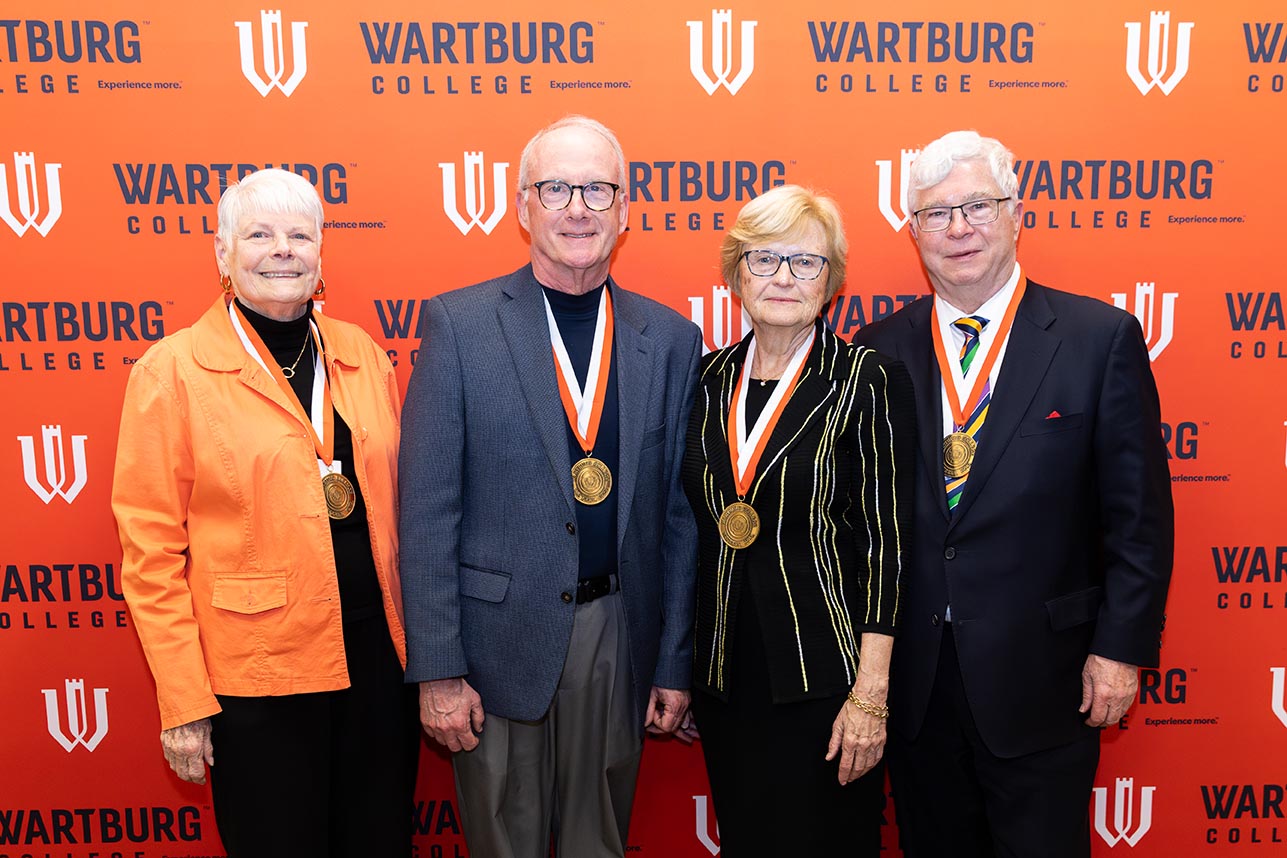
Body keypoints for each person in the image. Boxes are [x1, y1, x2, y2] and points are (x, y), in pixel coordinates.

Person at [853, 130, 1174, 857]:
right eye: (935, 214)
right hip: (917, 685)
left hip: (1046, 681)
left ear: (1016, 213)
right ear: (912, 232)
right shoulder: (875, 351)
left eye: (977, 206)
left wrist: (1120, 650)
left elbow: (1139, 519)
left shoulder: (1098, 338)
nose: (957, 228)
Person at [398, 115, 701, 858]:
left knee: (600, 841)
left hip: (618, 633)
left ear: (625, 210)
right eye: (556, 187)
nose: (577, 208)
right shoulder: (459, 324)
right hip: (495, 641)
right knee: (505, 840)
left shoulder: (669, 339)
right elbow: (426, 512)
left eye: (597, 190)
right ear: (521, 205)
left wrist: (672, 660)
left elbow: (679, 519)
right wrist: (437, 671)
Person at [111, 168, 419, 857]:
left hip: (375, 660)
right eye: (258, 234)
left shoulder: (362, 355)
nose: (282, 249)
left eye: (299, 235)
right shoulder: (172, 372)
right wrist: (185, 702)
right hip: (257, 677)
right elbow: (151, 555)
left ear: (319, 254)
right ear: (221, 254)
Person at [682, 184, 916, 856]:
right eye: (763, 259)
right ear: (735, 274)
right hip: (726, 677)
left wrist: (870, 695)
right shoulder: (705, 380)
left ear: (831, 281)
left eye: (805, 262)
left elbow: (885, 544)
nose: (782, 277)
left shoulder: (866, 378)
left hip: (826, 681)